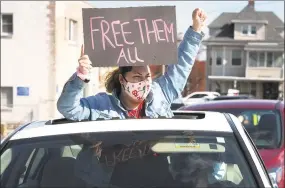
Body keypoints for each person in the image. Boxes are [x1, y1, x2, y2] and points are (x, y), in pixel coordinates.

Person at [57, 8, 207, 121]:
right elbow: (68, 108)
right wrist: (81, 76)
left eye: (147, 76)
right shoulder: (101, 105)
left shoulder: (161, 94)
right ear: (122, 79)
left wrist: (195, 30)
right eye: (137, 77)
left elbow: (181, 66)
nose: (144, 82)